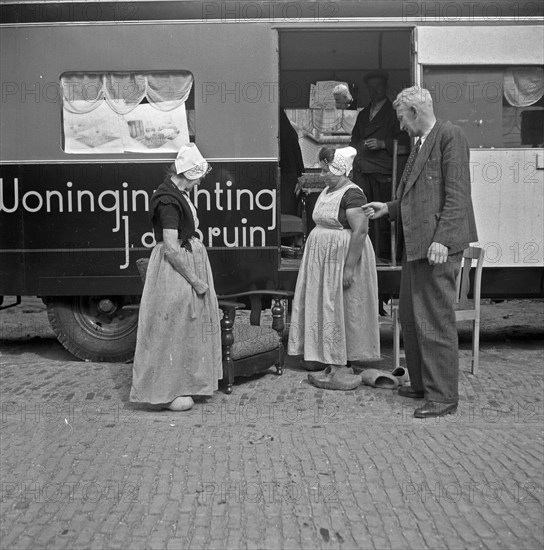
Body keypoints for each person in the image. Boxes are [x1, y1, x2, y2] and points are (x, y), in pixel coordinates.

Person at [362, 86, 478, 418]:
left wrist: (443, 240)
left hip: (436, 247)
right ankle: (421, 385)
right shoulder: (421, 144)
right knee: (413, 320)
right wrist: (387, 207)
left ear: (415, 112)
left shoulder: (449, 136)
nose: (400, 125)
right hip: (418, 247)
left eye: (401, 118)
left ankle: (442, 397)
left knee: (435, 322)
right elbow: (418, 196)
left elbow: (457, 195)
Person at [130, 143, 222, 411]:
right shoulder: (168, 200)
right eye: (199, 176)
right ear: (189, 173)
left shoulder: (175, 191)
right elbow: (170, 247)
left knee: (184, 324)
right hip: (174, 271)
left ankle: (182, 383)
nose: (201, 181)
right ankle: (165, 390)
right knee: (171, 324)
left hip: (184, 260)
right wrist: (195, 280)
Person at [288, 146, 380, 390]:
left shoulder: (353, 194)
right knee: (322, 302)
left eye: (326, 169)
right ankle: (320, 352)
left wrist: (349, 268)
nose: (323, 173)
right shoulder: (329, 190)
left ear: (340, 170)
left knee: (341, 305)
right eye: (322, 168)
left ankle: (343, 355)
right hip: (322, 260)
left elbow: (360, 231)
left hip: (342, 258)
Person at [350, 70, 408, 263]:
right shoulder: (364, 114)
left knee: (383, 216)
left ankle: (384, 256)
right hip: (362, 174)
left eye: (379, 86)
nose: (375, 91)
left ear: (386, 87)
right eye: (371, 87)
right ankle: (366, 254)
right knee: (362, 214)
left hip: (385, 175)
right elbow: (354, 141)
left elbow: (406, 143)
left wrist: (383, 144)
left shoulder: (395, 113)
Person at [279, 109, 304, 216]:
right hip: (292, 174)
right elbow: (297, 155)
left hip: (285, 174)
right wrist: (300, 174)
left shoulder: (280, 134)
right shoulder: (290, 132)